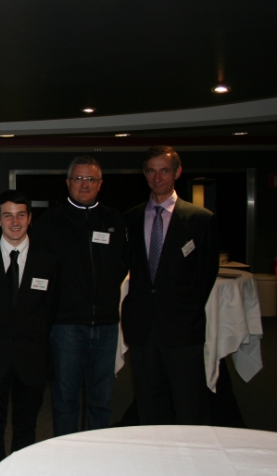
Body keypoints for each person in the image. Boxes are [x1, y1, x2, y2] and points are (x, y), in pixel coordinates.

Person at [30, 156, 128, 436]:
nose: (84, 185)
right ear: (67, 183)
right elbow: (39, 273)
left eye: (90, 179)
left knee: (101, 402)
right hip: (66, 326)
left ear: (100, 184)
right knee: (66, 401)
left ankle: (96, 453)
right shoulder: (49, 223)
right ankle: (67, 454)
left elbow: (123, 264)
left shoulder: (114, 219)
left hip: (106, 324)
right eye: (78, 179)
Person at [123, 146, 219, 424]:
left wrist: (184, 311)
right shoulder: (130, 218)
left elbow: (205, 277)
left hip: (182, 328)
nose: (157, 178)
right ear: (145, 174)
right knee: (148, 406)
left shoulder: (201, 220)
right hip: (142, 328)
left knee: (189, 405)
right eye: (151, 171)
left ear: (177, 172)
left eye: (164, 170)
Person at [0, 190, 58, 472]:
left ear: (30, 218)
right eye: (8, 215)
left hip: (32, 360)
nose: (15, 222)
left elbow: (51, 310)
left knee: (26, 429)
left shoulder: (48, 261)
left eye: (21, 215)